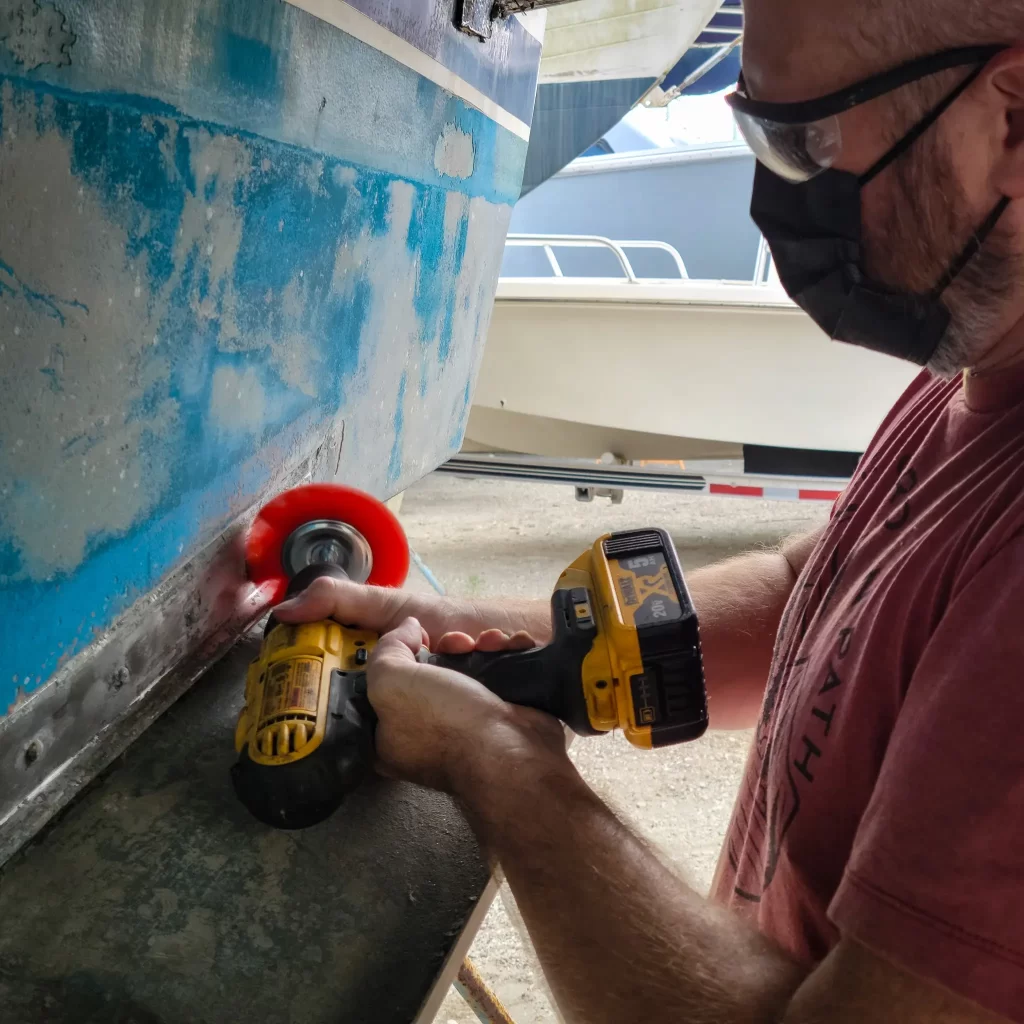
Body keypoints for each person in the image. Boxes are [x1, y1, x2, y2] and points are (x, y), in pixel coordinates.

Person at [277, 1, 1024, 1020]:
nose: (774, 200)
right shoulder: (977, 358)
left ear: (1013, 118)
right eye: (757, 132)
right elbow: (811, 589)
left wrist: (499, 765)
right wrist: (491, 634)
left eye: (803, 141)